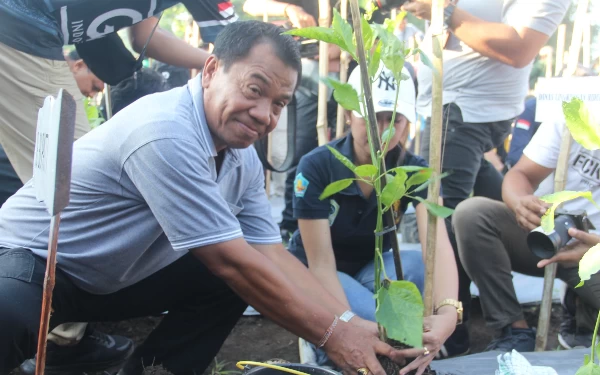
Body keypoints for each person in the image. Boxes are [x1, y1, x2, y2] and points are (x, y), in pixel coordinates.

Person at [0, 21, 426, 375]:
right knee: (6, 311)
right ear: (209, 70)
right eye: (254, 90)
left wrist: (350, 323)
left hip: (106, 278)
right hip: (32, 261)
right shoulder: (165, 131)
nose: (265, 114)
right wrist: (334, 336)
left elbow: (271, 256)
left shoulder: (240, 161)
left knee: (234, 282)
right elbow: (230, 260)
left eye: (279, 103)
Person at [401, 0, 570, 356]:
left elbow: (520, 46)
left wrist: (443, 10)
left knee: (440, 225)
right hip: (462, 110)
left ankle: (450, 337)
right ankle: (499, 317)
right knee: (476, 217)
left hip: (463, 113)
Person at [290, 65, 460, 373]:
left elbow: (438, 250)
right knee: (390, 329)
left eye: (394, 120)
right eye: (371, 116)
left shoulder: (413, 171)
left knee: (418, 267)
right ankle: (328, 341)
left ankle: (390, 344)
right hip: (317, 271)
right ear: (349, 113)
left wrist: (448, 315)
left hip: (369, 268)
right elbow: (321, 265)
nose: (382, 130)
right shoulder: (317, 167)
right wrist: (355, 326)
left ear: (407, 124)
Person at [16, 68, 172, 375]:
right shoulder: (47, 85)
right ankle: (61, 344)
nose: (96, 90)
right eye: (97, 82)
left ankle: (64, 340)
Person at [0, 0, 237, 185]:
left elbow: (145, 38)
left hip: (26, 26)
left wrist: (214, 64)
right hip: (22, 26)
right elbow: (245, 51)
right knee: (79, 179)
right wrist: (219, 67)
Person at [453, 118, 600, 351]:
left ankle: (583, 314)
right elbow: (522, 174)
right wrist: (521, 201)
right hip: (547, 235)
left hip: (595, 257)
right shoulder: (575, 114)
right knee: (473, 215)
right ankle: (512, 330)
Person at [243, 0, 342, 239]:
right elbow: (251, 4)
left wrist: (344, 47)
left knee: (347, 154)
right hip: (308, 78)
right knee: (301, 156)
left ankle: (337, 225)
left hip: (349, 78)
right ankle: (291, 224)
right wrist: (290, 10)